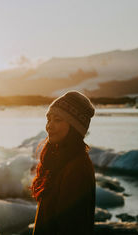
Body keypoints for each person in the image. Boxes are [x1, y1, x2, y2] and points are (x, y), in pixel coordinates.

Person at [31, 91, 96, 235]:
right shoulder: (59, 161)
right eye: (49, 119)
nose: (49, 126)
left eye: (58, 120)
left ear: (74, 127)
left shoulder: (77, 169)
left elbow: (71, 227)